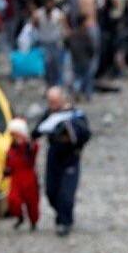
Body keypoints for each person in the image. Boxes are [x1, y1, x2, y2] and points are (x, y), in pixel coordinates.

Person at [33, 87, 90, 236]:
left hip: (70, 157)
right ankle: (62, 214)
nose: (51, 104)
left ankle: (64, 222)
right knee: (51, 191)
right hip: (54, 156)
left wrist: (69, 130)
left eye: (54, 101)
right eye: (49, 101)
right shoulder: (49, 114)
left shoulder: (76, 115)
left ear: (62, 100)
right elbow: (37, 131)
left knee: (66, 193)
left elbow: (85, 135)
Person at [5, 118, 40, 230]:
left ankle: (33, 222)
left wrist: (28, 143)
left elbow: (35, 148)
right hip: (16, 178)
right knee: (13, 200)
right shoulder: (11, 148)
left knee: (32, 203)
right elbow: (8, 162)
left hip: (29, 178)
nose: (15, 138)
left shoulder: (28, 147)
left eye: (17, 135)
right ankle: (19, 217)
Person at [34, 0, 68, 87]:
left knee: (57, 65)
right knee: (47, 65)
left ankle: (58, 85)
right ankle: (49, 85)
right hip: (45, 42)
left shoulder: (58, 14)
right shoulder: (38, 14)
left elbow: (64, 28)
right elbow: (34, 26)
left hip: (56, 43)